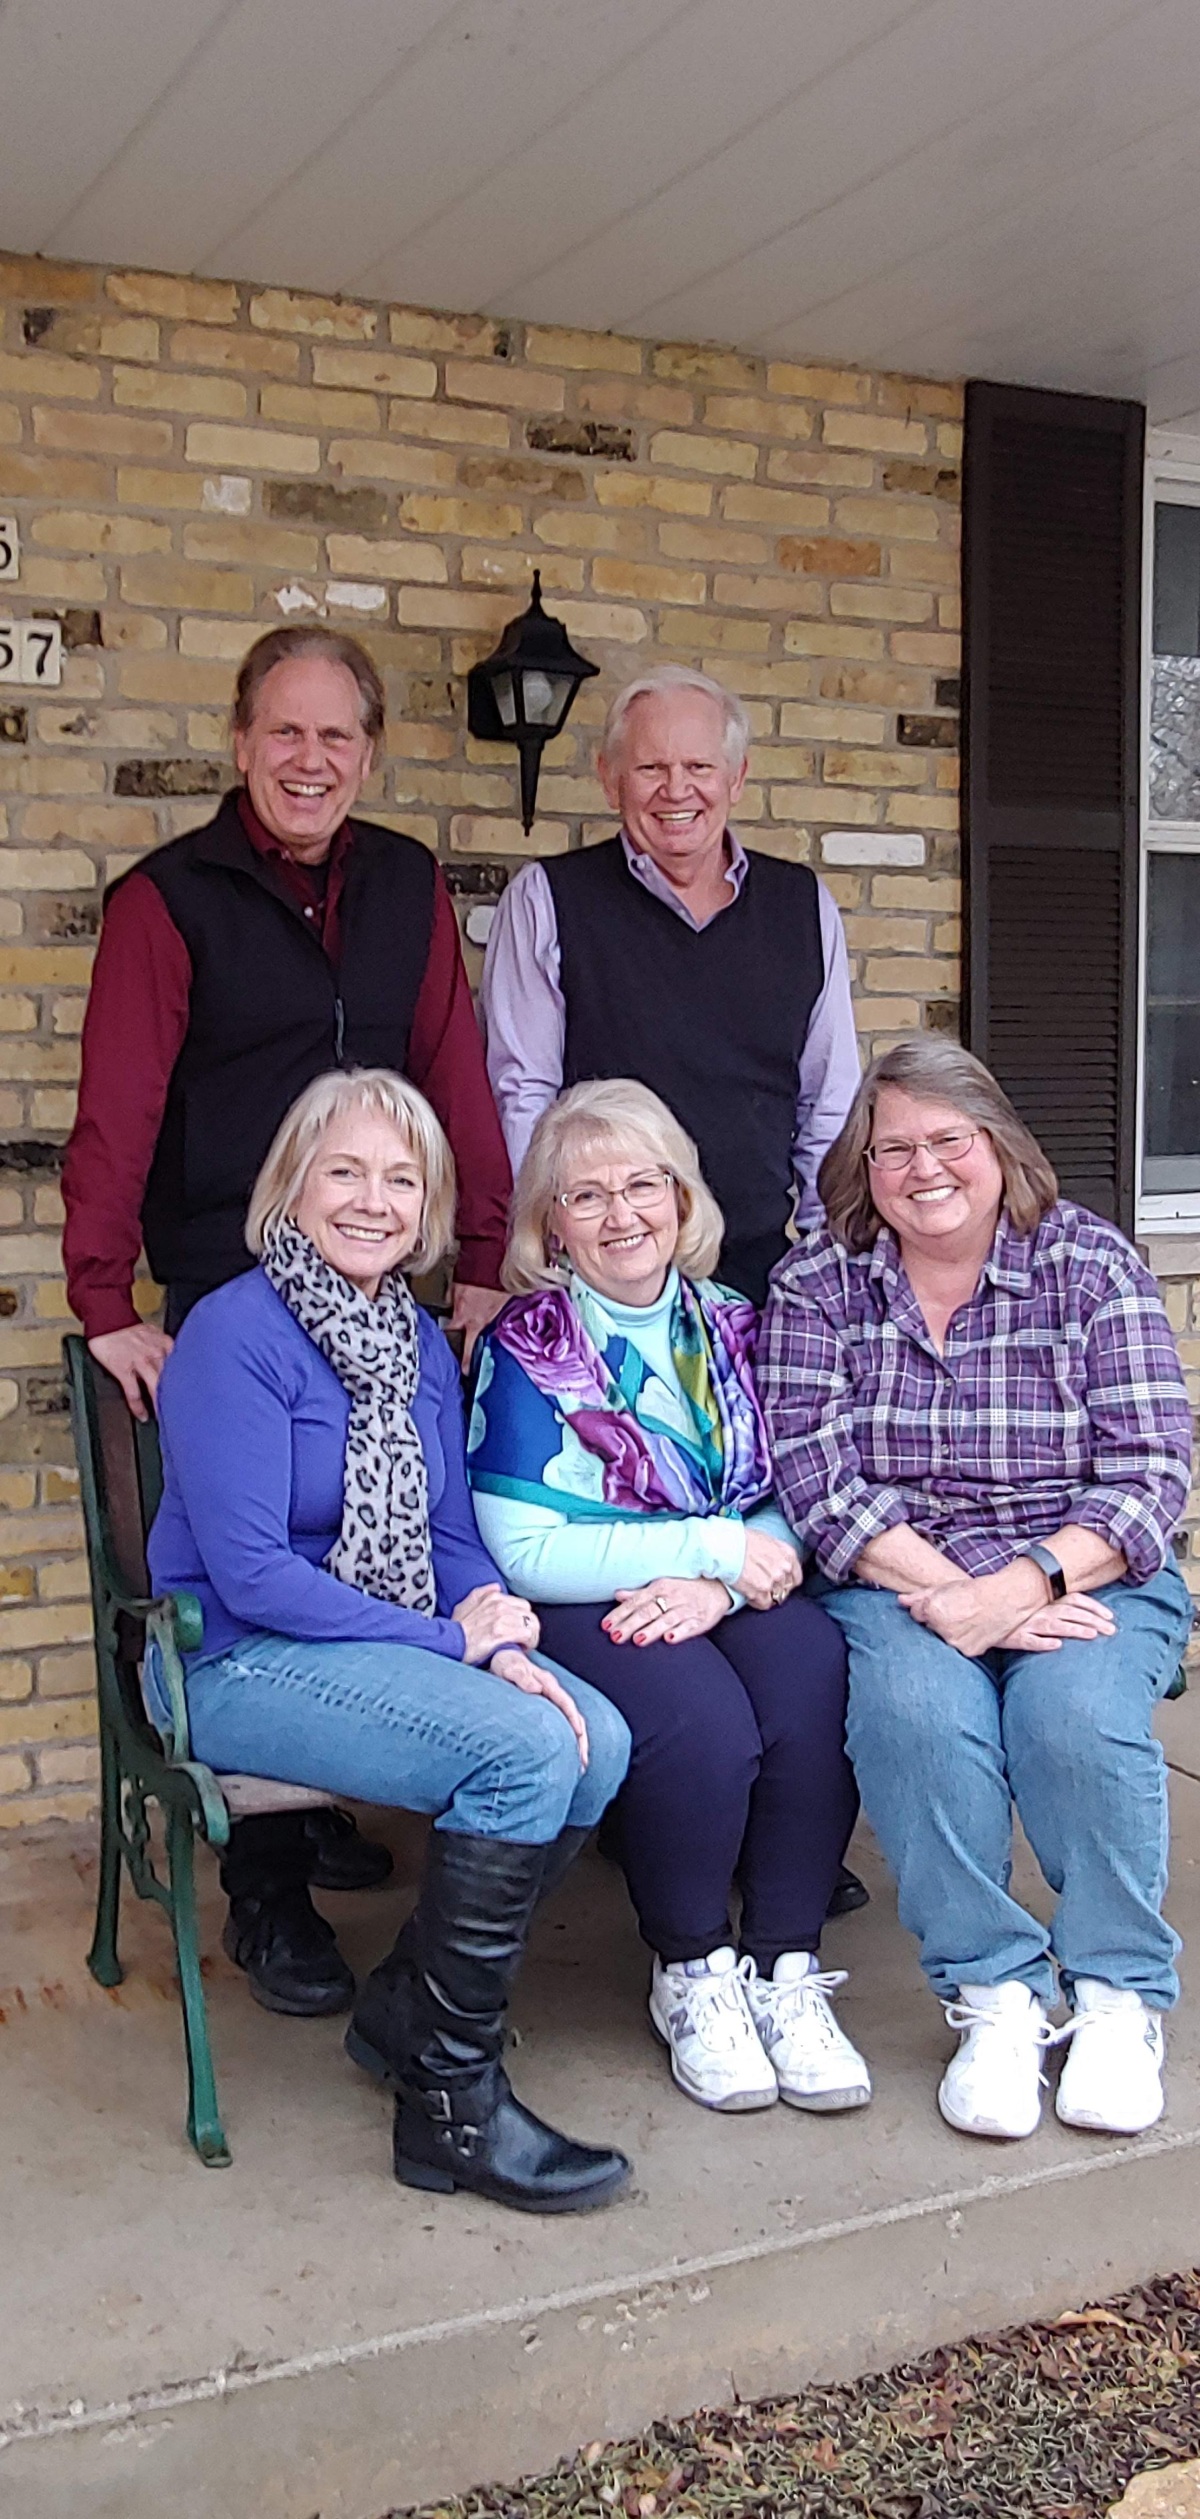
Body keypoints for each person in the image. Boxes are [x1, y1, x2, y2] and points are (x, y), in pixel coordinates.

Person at [64, 623, 515, 1932]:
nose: (310, 759)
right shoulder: (169, 899)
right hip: (227, 1283)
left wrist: (478, 1255)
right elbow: (118, 1109)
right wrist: (105, 1297)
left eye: (337, 735)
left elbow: (454, 1071)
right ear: (242, 739)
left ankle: (325, 1793)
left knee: (365, 1517)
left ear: (367, 750)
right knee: (253, 1548)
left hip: (377, 1281)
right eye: (285, 731)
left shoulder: (407, 885)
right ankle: (264, 1886)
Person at [147, 1067, 632, 2214]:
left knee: (596, 1740)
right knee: (524, 1755)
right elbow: (252, 1571)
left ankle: (409, 2003)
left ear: (426, 1208)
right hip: (231, 1657)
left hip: (373, 1644)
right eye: (346, 1170)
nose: (374, 1200)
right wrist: (444, 1639)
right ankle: (450, 2104)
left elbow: (453, 1534)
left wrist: (503, 1642)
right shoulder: (235, 1333)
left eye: (402, 1180)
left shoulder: (410, 1335)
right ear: (292, 1186)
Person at [758, 1034, 1194, 2143]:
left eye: (948, 1138)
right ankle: (996, 1991)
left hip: (1084, 1567)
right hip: (902, 1572)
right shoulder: (819, 1281)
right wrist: (966, 1593)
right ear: (863, 1163)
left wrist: (1026, 1581)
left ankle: (1115, 1993)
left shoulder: (1088, 1262)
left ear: (998, 1143)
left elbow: (1155, 1469)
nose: (923, 1167)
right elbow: (815, 1476)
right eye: (892, 1145)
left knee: (1074, 1718)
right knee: (914, 1715)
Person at [466, 1078, 871, 2119]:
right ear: (550, 1222)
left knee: (811, 1671)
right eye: (587, 1194)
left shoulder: (738, 1321)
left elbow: (794, 1491)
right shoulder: (527, 1343)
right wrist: (708, 1547)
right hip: (584, 1594)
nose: (622, 1213)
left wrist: (719, 1575)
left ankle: (784, 1968)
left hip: (723, 1582)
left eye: (644, 1184)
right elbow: (521, 1544)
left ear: (683, 1199)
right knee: (700, 1720)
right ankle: (692, 1965)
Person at [481, 661, 860, 1311]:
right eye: (651, 769)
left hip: (761, 1277)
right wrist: (543, 1255)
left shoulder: (803, 905)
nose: (676, 789)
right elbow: (524, 1095)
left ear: (736, 778)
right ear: (609, 779)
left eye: (699, 767)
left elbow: (830, 1104)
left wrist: (832, 1260)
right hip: (601, 1280)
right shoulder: (547, 900)